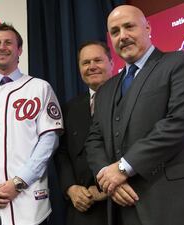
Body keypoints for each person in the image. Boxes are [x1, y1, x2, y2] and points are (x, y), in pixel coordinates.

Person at [85, 5, 184, 225]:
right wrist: (108, 179)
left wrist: (122, 168)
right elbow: (94, 140)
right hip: (122, 206)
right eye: (115, 32)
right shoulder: (106, 89)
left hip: (176, 203)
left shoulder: (183, 63)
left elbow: (179, 123)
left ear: (148, 27)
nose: (123, 36)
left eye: (129, 27)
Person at [0, 23, 64, 225]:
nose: (2, 47)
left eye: (8, 42)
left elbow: (49, 142)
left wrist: (19, 182)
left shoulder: (40, 88)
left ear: (19, 50)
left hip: (27, 205)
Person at [55, 41, 112, 225]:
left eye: (98, 60)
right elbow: (62, 153)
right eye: (86, 63)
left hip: (121, 203)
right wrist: (71, 188)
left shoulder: (130, 99)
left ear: (111, 63)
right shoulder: (70, 108)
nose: (92, 67)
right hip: (82, 207)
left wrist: (106, 189)